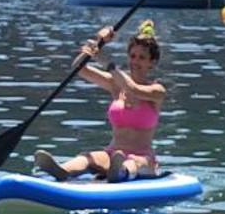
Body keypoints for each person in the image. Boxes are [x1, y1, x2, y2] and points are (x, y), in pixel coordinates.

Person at [35, 19, 167, 182]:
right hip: (112, 154)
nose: (135, 61)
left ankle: (121, 173)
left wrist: (107, 63)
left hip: (143, 159)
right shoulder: (115, 84)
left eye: (142, 57)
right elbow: (79, 68)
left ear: (152, 63)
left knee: (133, 163)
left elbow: (133, 89)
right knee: (88, 157)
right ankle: (62, 170)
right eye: (132, 56)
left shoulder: (157, 91)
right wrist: (99, 42)